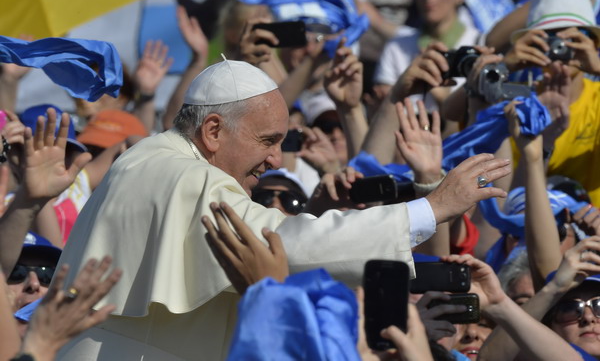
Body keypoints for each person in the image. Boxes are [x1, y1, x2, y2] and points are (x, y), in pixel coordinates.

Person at [56, 59, 510, 360]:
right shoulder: (184, 175)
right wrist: (432, 207)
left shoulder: (151, 160)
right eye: (267, 140)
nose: (276, 159)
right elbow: (287, 245)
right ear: (213, 131)